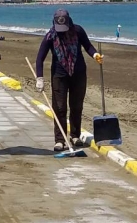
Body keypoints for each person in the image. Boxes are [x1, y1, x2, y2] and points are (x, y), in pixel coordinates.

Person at [35, 9, 103, 151]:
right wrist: (39, 78)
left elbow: (88, 46)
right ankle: (60, 140)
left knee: (76, 106)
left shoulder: (78, 31)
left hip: (78, 74)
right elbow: (40, 58)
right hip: (59, 76)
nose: (62, 31)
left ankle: (75, 135)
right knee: (59, 108)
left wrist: (95, 54)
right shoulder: (50, 36)